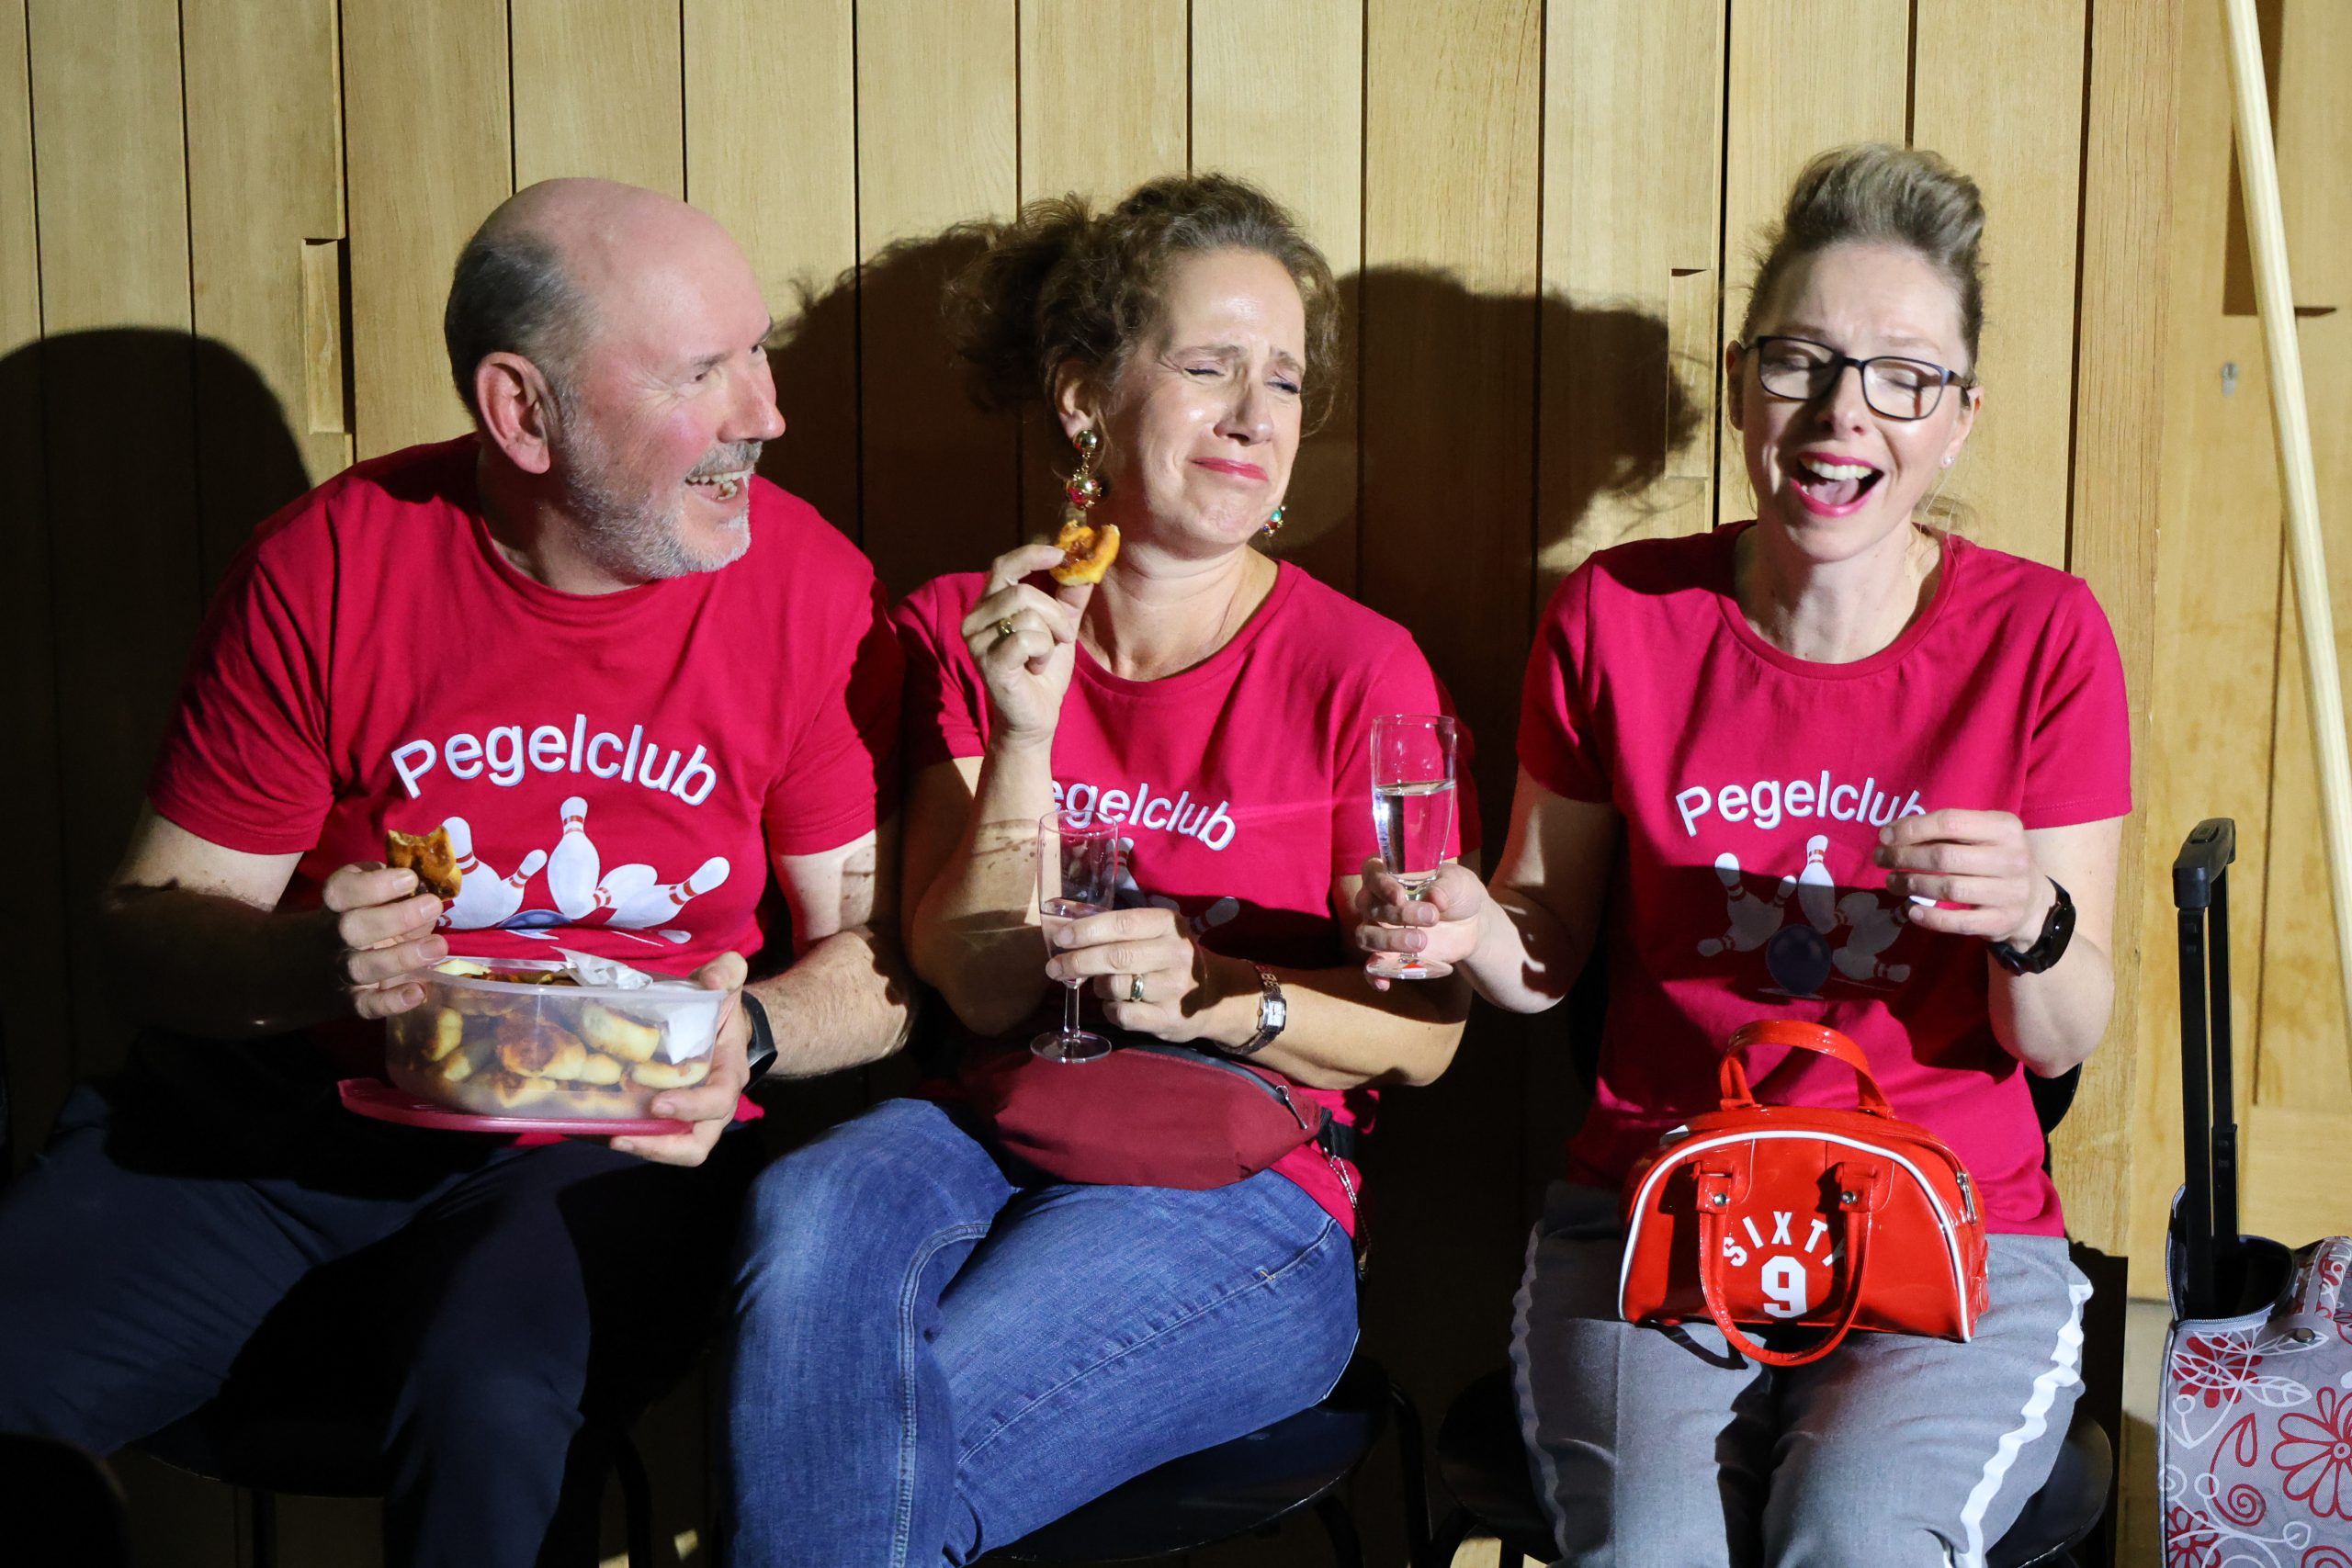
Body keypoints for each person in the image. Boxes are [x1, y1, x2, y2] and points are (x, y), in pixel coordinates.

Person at [0, 178, 913, 1567]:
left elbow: (884, 955)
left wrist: (757, 1030)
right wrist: (307, 960)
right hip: (286, 1126)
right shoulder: (332, 562)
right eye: (700, 373)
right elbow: (149, 927)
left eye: (757, 354)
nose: (765, 414)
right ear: (521, 411)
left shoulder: (812, 589)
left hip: (610, 1150)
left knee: (492, 1397)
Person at [1357, 144, 2129, 1566]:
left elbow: (2065, 1029)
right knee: (1649, 1549)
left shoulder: (2042, 637)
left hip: (1955, 1230)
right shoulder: (1617, 618)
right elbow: (1545, 949)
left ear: (1960, 419)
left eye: (1905, 377)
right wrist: (1472, 926)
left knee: (1859, 1539)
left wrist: (2034, 914)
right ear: (1741, 381)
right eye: (1801, 362)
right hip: (1656, 1214)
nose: (1844, 413)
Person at [721, 173, 1475, 1564]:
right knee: (809, 1197)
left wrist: (1220, 996)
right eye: (1208, 367)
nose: (1255, 416)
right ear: (1085, 399)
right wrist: (1025, 730)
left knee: (863, 1459)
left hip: (1247, 1184)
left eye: (1285, 381)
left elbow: (1427, 1036)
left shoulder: (1359, 669)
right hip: (987, 1120)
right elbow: (980, 987)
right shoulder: (962, 628)